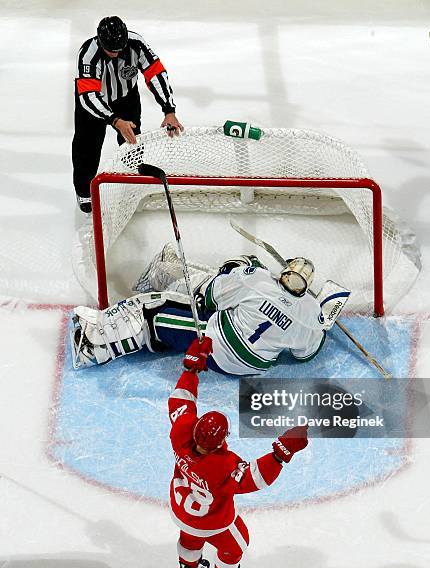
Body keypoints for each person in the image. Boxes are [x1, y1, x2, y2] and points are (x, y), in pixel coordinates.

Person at [168, 336, 309, 568]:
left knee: (190, 538)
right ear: (222, 440)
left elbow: (181, 401)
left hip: (181, 511)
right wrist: (282, 451)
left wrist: (191, 369)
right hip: (213, 521)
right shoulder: (222, 465)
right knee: (237, 544)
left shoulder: (181, 433)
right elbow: (256, 478)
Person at [70, 248, 350, 373]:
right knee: (193, 298)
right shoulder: (310, 314)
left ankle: (93, 347)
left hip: (219, 347)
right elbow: (306, 354)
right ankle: (170, 270)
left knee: (154, 309)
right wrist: (323, 320)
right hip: (254, 366)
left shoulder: (260, 281)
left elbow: (211, 300)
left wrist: (234, 269)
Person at [72, 16, 184, 213]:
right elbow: (88, 96)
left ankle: (132, 171)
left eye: (119, 49)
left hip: (126, 98)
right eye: (110, 50)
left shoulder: (137, 44)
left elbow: (156, 73)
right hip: (93, 103)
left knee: (133, 140)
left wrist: (169, 110)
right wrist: (115, 120)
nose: (115, 54)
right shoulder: (88, 55)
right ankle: (84, 192)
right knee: (87, 148)